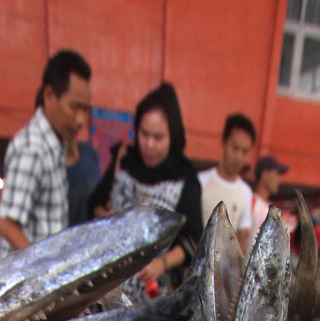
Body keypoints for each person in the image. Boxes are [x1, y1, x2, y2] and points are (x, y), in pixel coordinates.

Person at [88, 82, 202, 302]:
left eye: (158, 138)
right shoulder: (124, 160)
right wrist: (109, 223)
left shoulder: (185, 179)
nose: (150, 144)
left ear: (173, 136)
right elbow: (95, 203)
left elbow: (193, 241)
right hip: (108, 289)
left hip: (153, 296)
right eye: (144, 134)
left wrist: (162, 263)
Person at [0, 50, 91, 254]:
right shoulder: (33, 149)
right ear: (49, 96)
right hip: (30, 280)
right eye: (74, 108)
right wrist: (44, 266)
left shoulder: (55, 147)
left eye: (86, 110)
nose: (81, 120)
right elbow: (6, 225)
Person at [198, 114, 255, 255]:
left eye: (244, 151)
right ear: (223, 143)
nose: (238, 157)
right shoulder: (200, 181)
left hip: (226, 275)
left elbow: (242, 238)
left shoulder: (246, 192)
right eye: (235, 148)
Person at [248, 155, 288, 254]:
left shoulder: (271, 209)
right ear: (265, 174)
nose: (278, 180)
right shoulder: (250, 202)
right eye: (276, 174)